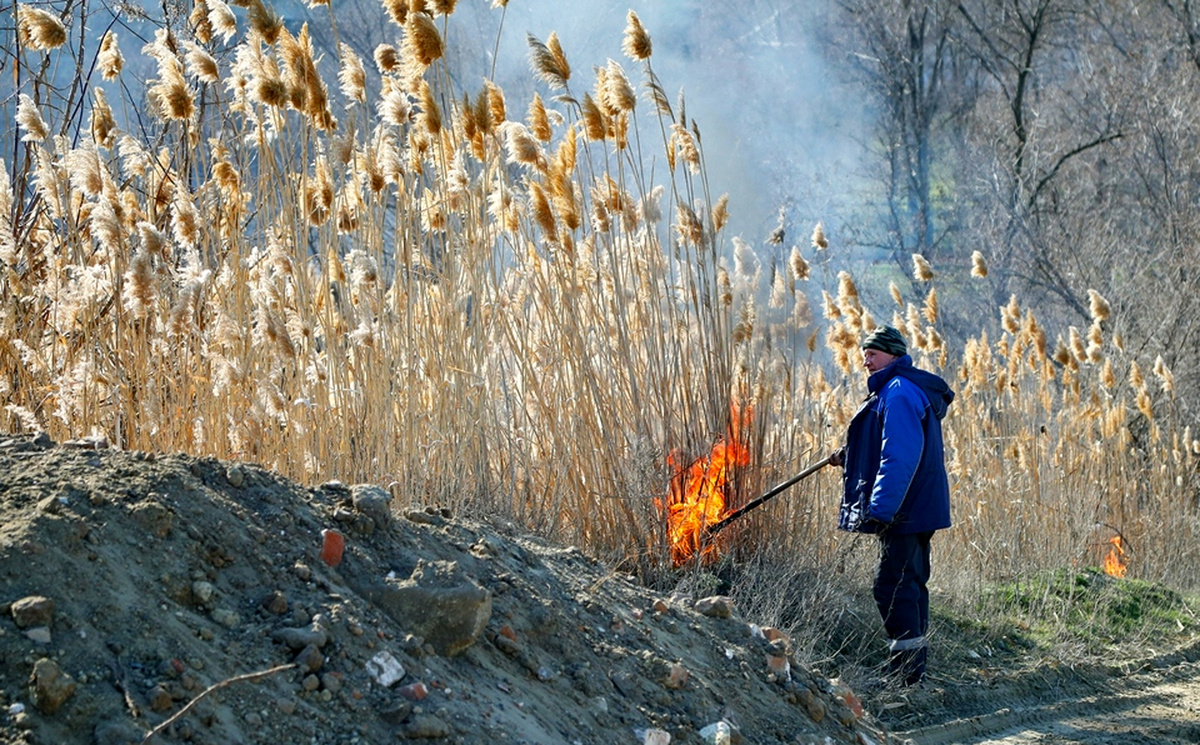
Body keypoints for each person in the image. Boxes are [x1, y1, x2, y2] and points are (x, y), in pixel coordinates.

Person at [829, 325, 954, 687]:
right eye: (865, 352)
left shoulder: (897, 392)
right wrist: (849, 457)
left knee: (892, 587)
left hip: (904, 509)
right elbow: (884, 443)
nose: (866, 359)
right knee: (909, 584)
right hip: (917, 507)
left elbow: (899, 457)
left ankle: (905, 675)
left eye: (875, 352)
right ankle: (913, 672)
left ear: (895, 355)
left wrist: (882, 509)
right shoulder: (898, 389)